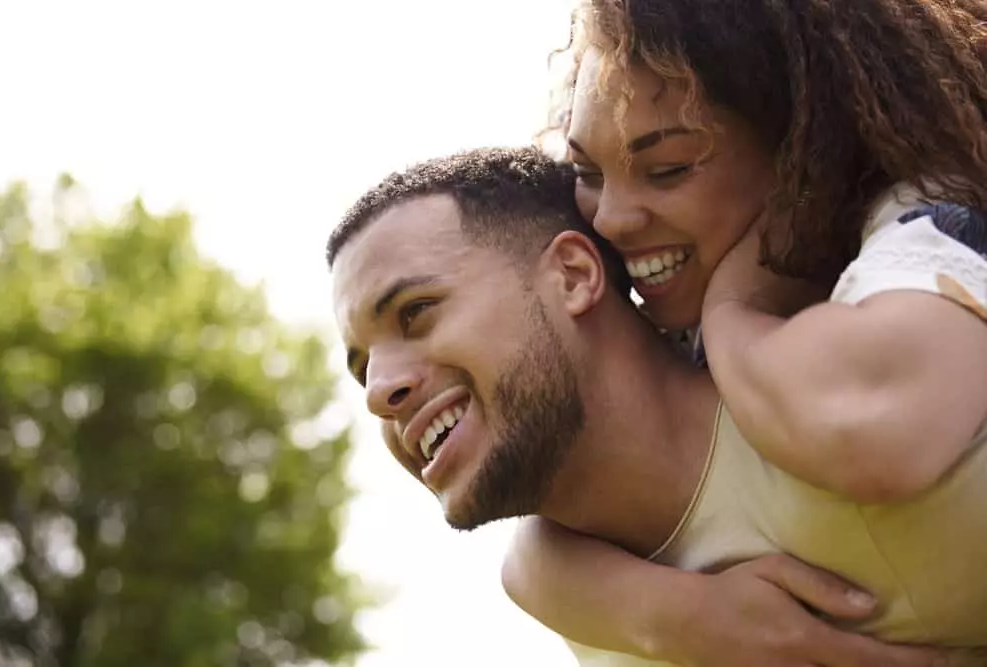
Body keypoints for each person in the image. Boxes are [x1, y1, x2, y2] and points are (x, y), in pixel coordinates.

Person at [326, 146, 985, 666]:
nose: (380, 390)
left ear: (575, 276)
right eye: (362, 370)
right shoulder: (608, 623)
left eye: (416, 312)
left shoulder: (869, 347)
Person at [502, 1, 987, 662]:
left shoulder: (942, 217)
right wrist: (678, 614)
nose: (610, 218)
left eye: (668, 167)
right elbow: (536, 548)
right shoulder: (673, 309)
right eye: (588, 173)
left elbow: (873, 431)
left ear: (805, 140)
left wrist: (736, 309)